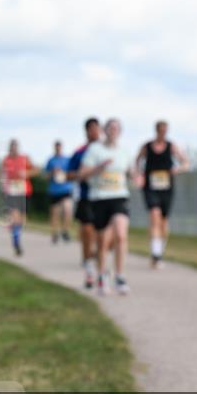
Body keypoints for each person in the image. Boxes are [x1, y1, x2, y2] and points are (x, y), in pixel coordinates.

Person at [78, 118, 133, 295]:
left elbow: (131, 172)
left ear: (120, 132)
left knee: (121, 234)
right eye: (110, 128)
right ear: (105, 130)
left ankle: (120, 276)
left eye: (117, 128)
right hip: (100, 198)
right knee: (102, 241)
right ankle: (102, 275)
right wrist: (98, 169)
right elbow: (82, 174)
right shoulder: (95, 150)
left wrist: (137, 178)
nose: (113, 131)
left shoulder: (124, 151)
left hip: (119, 197)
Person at [134, 120, 190, 268]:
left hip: (166, 188)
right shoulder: (146, 147)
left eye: (165, 131)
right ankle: (155, 256)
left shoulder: (171, 146)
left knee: (163, 223)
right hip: (150, 187)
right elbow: (137, 162)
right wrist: (139, 175)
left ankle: (158, 251)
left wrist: (177, 170)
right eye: (160, 130)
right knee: (154, 216)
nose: (163, 133)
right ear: (156, 130)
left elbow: (185, 162)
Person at [67, 118, 101, 288]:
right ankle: (88, 260)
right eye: (91, 129)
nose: (95, 132)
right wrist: (82, 174)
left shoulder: (107, 151)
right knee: (87, 228)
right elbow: (69, 175)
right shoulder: (80, 152)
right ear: (86, 131)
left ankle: (93, 252)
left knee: (103, 233)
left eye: (97, 129)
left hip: (105, 197)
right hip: (86, 195)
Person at [1, 139, 36, 256]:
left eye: (15, 147)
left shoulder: (24, 159)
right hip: (12, 192)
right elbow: (3, 175)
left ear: (18, 148)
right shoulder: (6, 160)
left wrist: (26, 173)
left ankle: (15, 232)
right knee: (15, 217)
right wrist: (4, 188)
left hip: (24, 192)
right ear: (9, 148)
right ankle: (16, 242)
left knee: (22, 219)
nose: (13, 149)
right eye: (11, 147)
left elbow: (36, 170)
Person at [45, 140, 74, 243]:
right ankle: (54, 233)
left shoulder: (67, 160)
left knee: (67, 210)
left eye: (59, 147)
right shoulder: (51, 160)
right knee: (55, 214)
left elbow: (72, 173)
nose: (58, 149)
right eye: (56, 147)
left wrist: (64, 173)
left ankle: (65, 231)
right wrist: (52, 172)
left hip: (66, 188)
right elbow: (46, 176)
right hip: (54, 190)